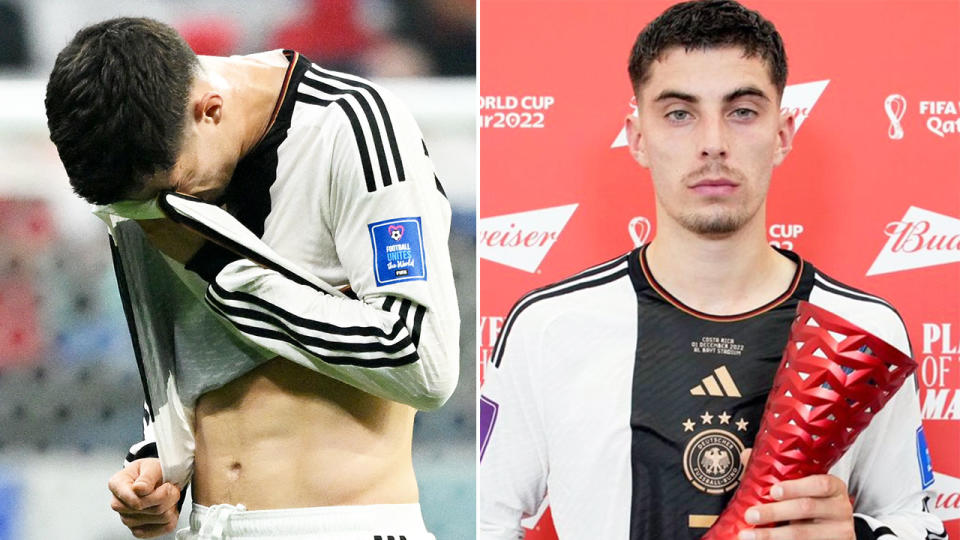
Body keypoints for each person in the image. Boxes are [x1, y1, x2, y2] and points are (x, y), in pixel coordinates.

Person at [477, 1, 946, 539]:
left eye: (742, 111)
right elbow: (487, 521)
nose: (713, 143)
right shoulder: (549, 325)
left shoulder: (863, 331)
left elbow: (919, 525)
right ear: (637, 138)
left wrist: (853, 535)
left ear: (783, 133)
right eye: (679, 113)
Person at [44, 17, 460, 539]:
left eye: (175, 192)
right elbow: (188, 352)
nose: (171, 211)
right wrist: (162, 462)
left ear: (210, 111)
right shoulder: (148, 169)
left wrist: (218, 268)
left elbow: (424, 361)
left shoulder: (351, 126)